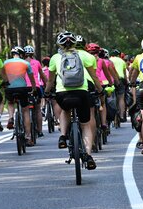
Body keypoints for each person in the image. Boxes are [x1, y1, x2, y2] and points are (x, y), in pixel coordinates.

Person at [44, 31, 103, 170]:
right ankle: (88, 155)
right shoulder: (86, 56)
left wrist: (46, 93)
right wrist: (100, 90)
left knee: (65, 109)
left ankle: (63, 137)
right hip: (82, 93)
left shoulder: (55, 58)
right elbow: (94, 77)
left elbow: (51, 80)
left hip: (63, 93)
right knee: (85, 125)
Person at [4, 46, 37, 146]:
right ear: (22, 55)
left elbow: (2, 74)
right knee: (25, 110)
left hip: (9, 88)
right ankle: (28, 137)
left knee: (10, 102)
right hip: (22, 88)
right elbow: (31, 79)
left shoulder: (5, 63)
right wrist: (34, 89)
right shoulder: (26, 63)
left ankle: (10, 117)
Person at [24, 45, 47, 138]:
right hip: (36, 87)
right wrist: (47, 85)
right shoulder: (37, 62)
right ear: (32, 54)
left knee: (24, 109)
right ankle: (40, 130)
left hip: (24, 88)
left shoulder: (22, 63)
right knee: (37, 109)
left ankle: (25, 130)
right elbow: (42, 76)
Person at [110, 49, 127, 122]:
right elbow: (124, 74)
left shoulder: (109, 60)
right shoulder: (122, 61)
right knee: (121, 98)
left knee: (111, 96)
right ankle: (122, 115)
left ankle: (111, 113)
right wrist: (126, 82)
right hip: (120, 80)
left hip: (111, 80)